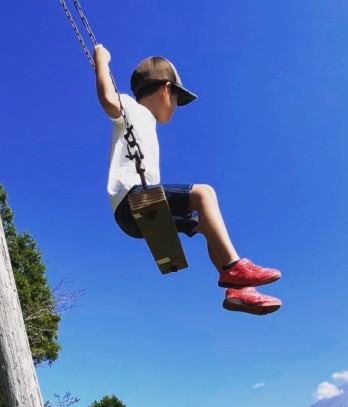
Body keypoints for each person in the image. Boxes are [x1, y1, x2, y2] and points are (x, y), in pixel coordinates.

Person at [94, 45, 282, 315]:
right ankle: (234, 266)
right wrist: (102, 60)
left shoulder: (145, 121)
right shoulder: (132, 108)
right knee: (204, 193)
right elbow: (108, 100)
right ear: (166, 89)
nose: (176, 108)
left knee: (204, 224)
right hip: (131, 200)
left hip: (139, 215)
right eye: (177, 101)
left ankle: (237, 291)